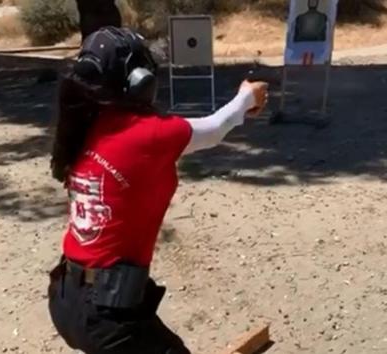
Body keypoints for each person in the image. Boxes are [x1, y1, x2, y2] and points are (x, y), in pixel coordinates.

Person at [47, 26, 268, 354]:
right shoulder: (149, 134)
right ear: (139, 82)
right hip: (107, 317)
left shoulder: (81, 128)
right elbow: (216, 127)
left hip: (65, 299)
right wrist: (248, 95)